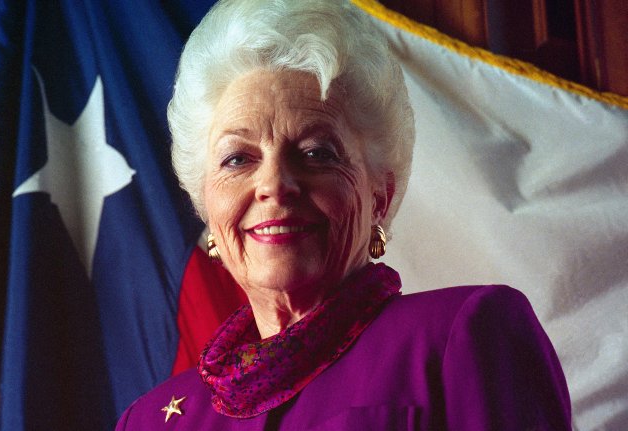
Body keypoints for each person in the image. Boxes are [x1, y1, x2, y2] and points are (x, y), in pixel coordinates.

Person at [116, 0, 571, 429]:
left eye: (316, 152)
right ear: (208, 207)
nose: (274, 185)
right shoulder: (148, 421)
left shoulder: (467, 336)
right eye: (238, 159)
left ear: (379, 196)